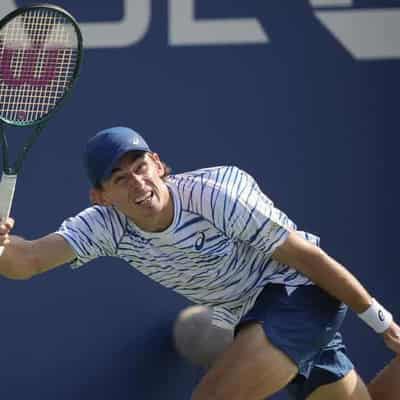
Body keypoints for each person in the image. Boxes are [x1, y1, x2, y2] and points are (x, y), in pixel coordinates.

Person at [0, 126, 398, 400]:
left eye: (140, 167)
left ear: (158, 164)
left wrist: (382, 322)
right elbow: (28, 259)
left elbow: (307, 257)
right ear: (100, 197)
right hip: (254, 317)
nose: (138, 183)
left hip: (299, 294)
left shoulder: (217, 195)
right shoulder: (105, 226)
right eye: (119, 179)